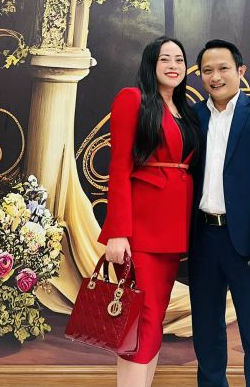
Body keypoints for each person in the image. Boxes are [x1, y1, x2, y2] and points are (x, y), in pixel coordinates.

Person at [98, 36, 200, 387]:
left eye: (179, 59)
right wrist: (117, 232)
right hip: (141, 230)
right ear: (151, 64)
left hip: (173, 232)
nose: (173, 65)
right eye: (164, 59)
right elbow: (119, 167)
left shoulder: (186, 110)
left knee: (154, 317)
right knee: (140, 319)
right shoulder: (134, 99)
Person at [189, 39, 250, 387]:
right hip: (203, 239)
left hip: (249, 242)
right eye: (207, 71)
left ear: (241, 71)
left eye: (223, 68)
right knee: (206, 328)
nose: (215, 77)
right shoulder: (193, 116)